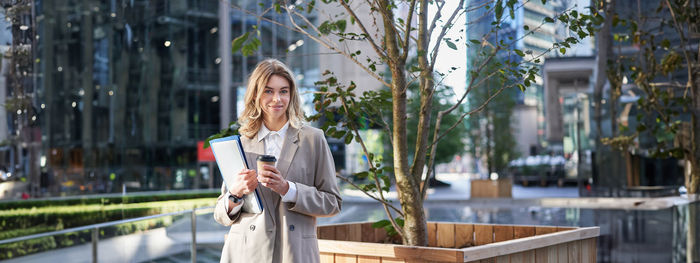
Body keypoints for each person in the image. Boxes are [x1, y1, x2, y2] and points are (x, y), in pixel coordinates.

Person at [213, 58, 342, 263]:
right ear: (255, 94)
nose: (277, 99)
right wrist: (235, 192)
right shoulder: (242, 144)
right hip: (246, 253)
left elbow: (332, 203)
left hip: (294, 252)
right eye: (268, 91)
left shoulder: (312, 139)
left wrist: (288, 189)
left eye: (283, 91)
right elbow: (220, 215)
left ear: (291, 95)